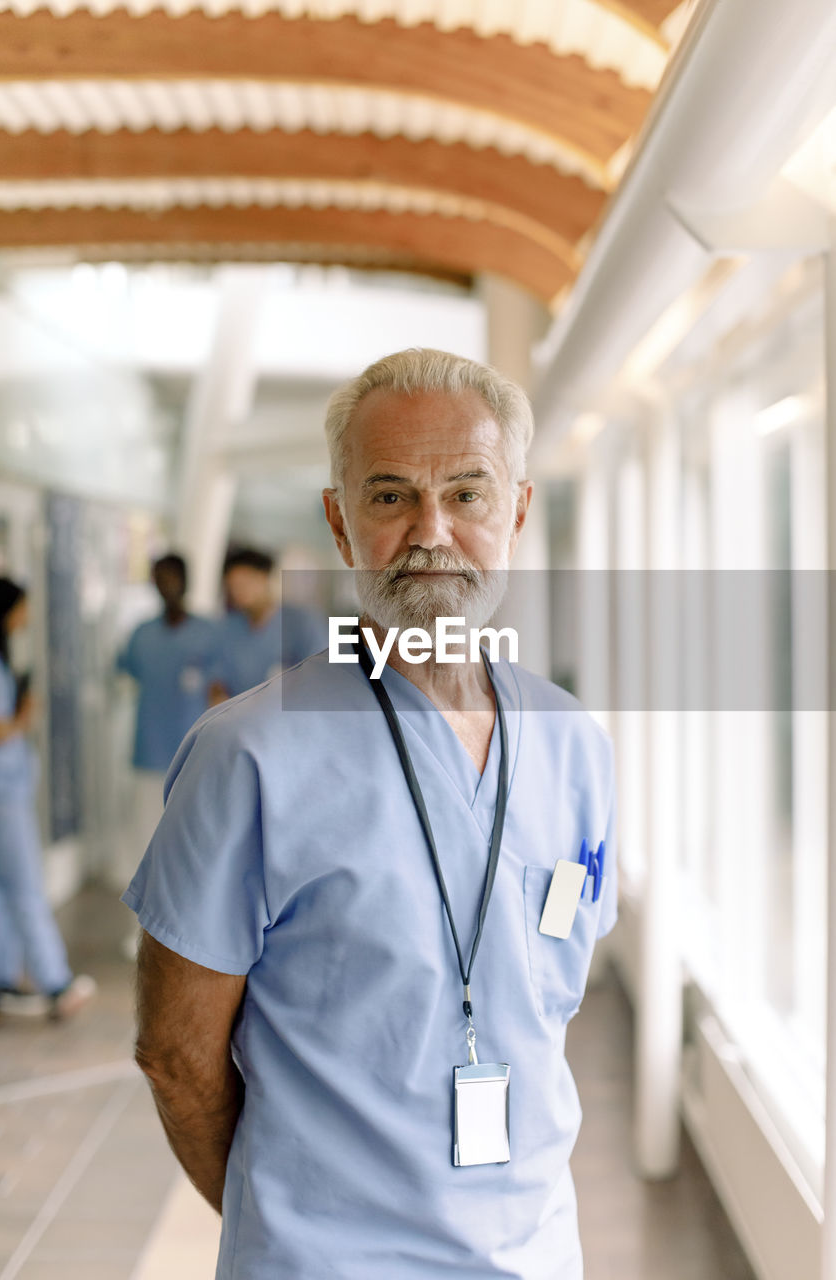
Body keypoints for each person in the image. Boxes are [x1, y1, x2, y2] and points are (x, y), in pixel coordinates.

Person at [126, 349, 617, 1280]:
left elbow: (542, 1006)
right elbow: (174, 1055)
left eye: (466, 494)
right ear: (339, 522)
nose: (429, 531)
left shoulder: (571, 743)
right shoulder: (249, 756)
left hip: (538, 1250)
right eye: (389, 496)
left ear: (514, 511)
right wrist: (292, 1226)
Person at [0, 576, 95, 1018]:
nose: (25, 618)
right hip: (0, 793)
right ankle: (55, 982)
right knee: (27, 886)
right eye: (21, 609)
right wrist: (26, 713)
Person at [118, 553, 223, 863]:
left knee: (192, 842)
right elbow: (128, 672)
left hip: (194, 751)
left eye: (172, 578)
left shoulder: (208, 633)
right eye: (159, 579)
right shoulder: (142, 634)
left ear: (186, 582)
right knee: (147, 840)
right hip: (149, 749)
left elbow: (220, 691)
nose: (165, 586)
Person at [209, 547, 328, 701]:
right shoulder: (229, 628)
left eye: (245, 583)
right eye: (233, 587)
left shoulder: (302, 622)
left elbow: (322, 675)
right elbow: (217, 677)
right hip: (241, 717)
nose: (239, 592)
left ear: (264, 578)